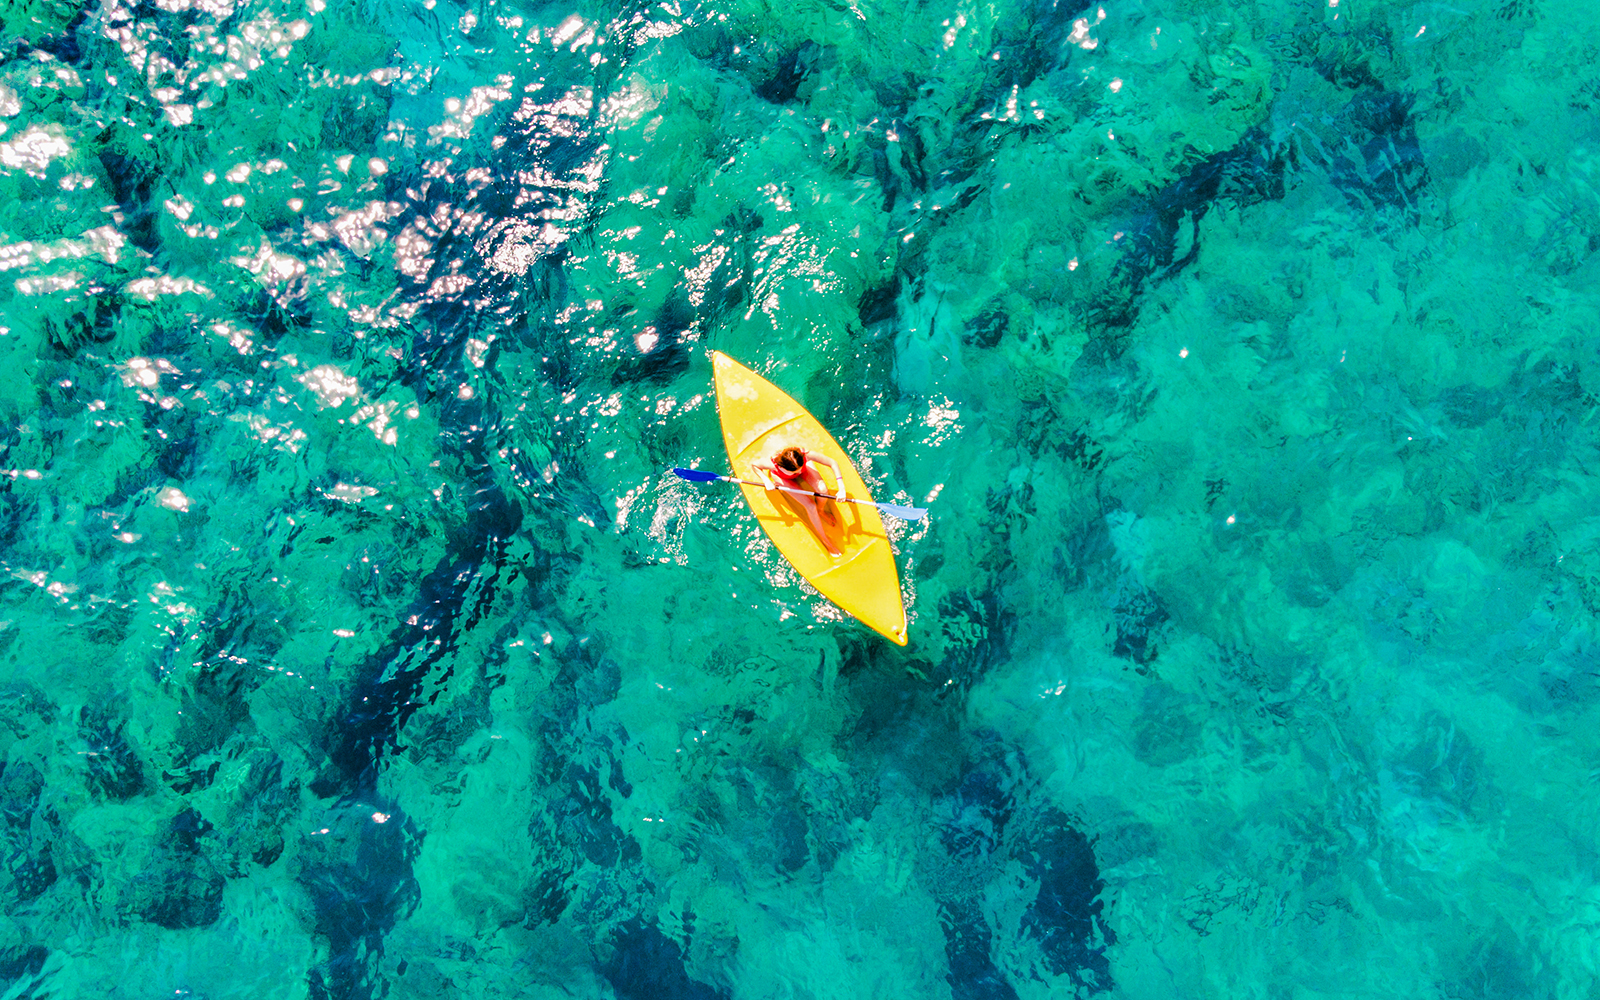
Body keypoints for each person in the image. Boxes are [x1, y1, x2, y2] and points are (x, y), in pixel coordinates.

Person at [753, 445, 848, 556]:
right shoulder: (773, 464)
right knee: (810, 506)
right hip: (782, 477)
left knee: (823, 491)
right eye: (794, 472)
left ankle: (821, 510)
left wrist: (842, 488)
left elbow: (832, 463)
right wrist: (765, 480)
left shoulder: (805, 455)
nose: (797, 473)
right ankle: (826, 541)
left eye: (799, 468)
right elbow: (754, 465)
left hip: (805, 471)